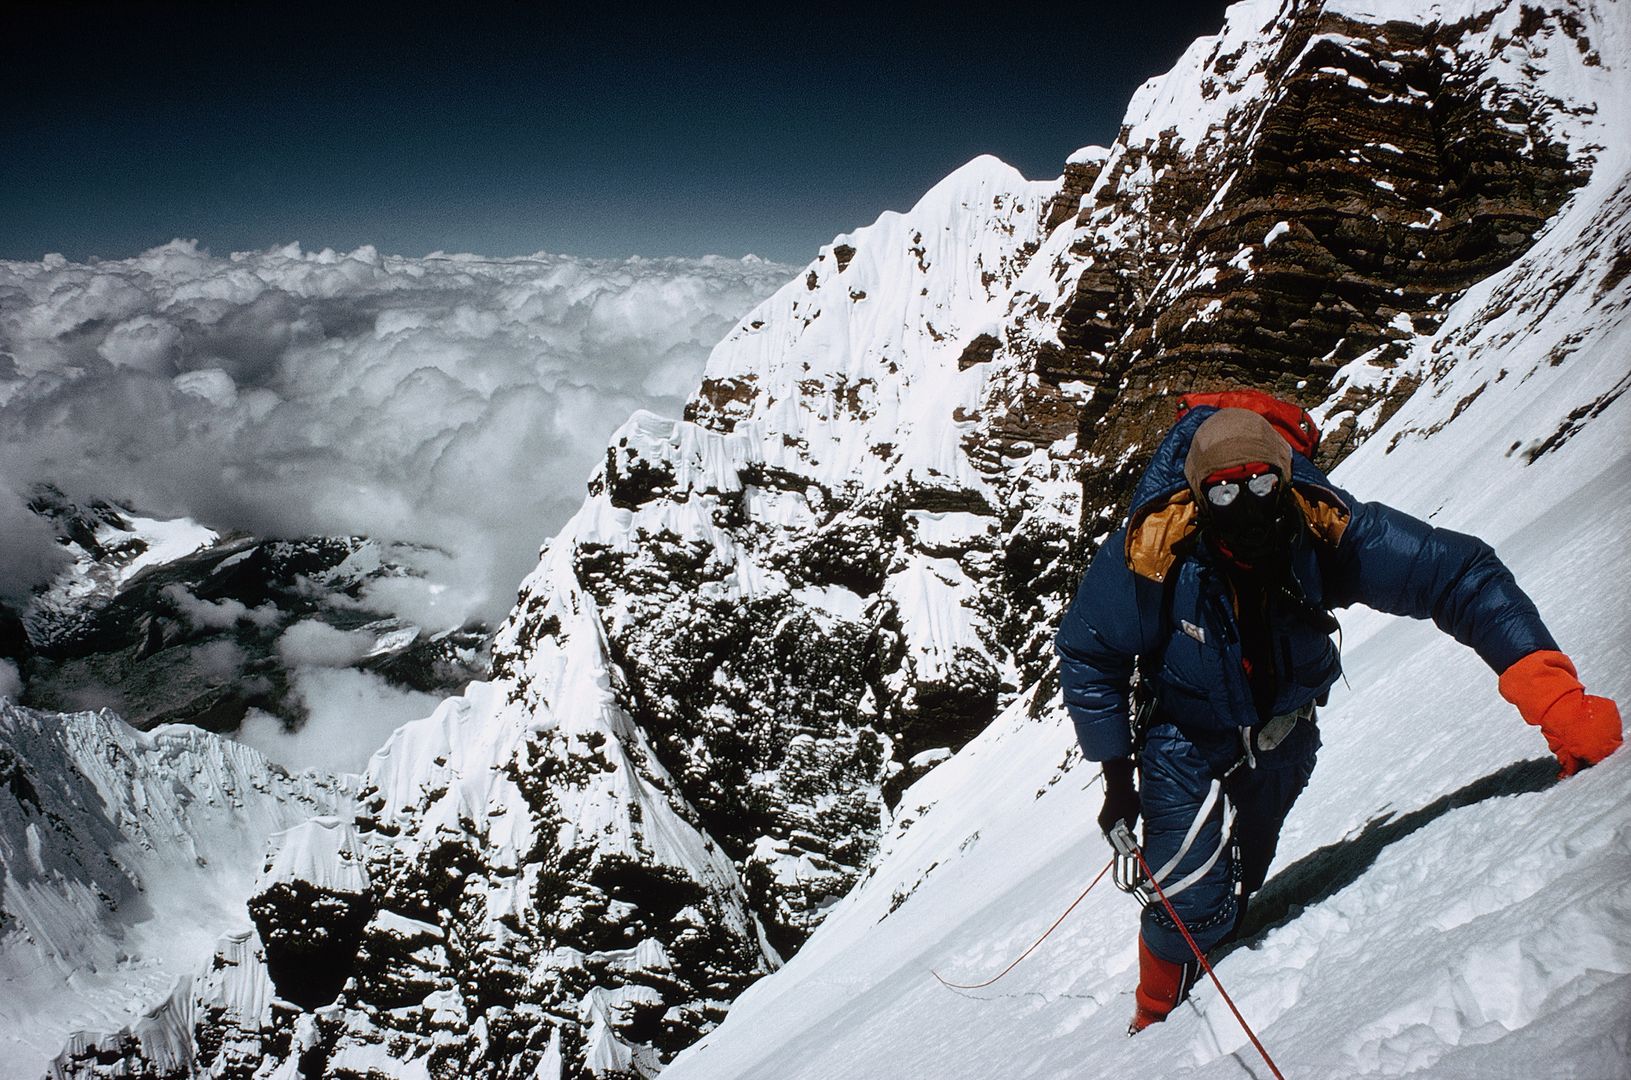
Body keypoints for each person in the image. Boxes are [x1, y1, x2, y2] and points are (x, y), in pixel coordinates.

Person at [1054, 402, 1622, 1034]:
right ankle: (1153, 1016)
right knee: (1186, 894)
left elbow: (1459, 577)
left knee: (1244, 865)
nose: (1246, 504)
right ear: (1196, 495)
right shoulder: (1152, 555)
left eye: (1263, 483)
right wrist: (1117, 781)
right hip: (1184, 737)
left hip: (1282, 732)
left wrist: (1556, 700)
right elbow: (1087, 652)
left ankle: (1218, 937)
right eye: (1222, 491)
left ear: (1285, 480)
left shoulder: (1326, 529)